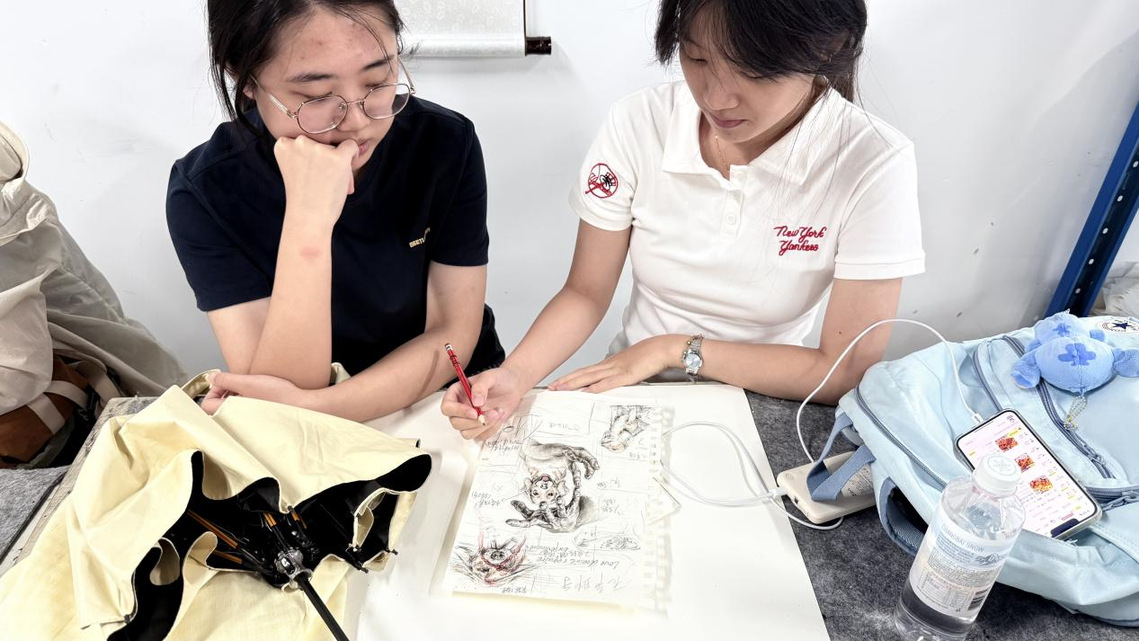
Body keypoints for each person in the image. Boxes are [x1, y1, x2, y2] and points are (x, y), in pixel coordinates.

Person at [442, 0, 923, 440]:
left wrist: (672, 350)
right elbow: (586, 292)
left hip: (765, 404)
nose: (716, 97)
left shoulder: (871, 161)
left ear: (827, 50)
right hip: (634, 389)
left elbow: (843, 371)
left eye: (753, 70)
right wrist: (516, 375)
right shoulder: (640, 122)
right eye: (697, 58)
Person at [167, 0, 503, 421]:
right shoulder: (207, 191)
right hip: (312, 432)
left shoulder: (444, 143)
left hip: (451, 403)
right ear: (245, 77)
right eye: (317, 96)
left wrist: (319, 408)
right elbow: (280, 391)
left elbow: (453, 334)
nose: (358, 122)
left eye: (378, 81)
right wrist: (308, 223)